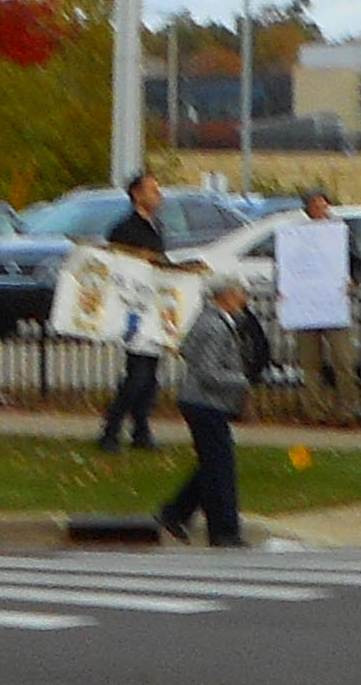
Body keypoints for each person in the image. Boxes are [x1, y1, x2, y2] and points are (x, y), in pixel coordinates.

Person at [156, 277, 252, 547]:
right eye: (241, 295)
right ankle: (223, 532)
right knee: (221, 470)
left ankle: (175, 512)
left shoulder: (210, 320)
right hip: (205, 403)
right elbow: (209, 373)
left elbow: (186, 349)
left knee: (214, 464)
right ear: (227, 297)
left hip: (202, 402)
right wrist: (243, 380)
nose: (244, 301)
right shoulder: (215, 326)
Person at [98, 172, 171, 453]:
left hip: (151, 306)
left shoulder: (157, 227)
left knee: (150, 375)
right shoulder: (125, 228)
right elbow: (117, 264)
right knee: (137, 374)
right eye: (153, 190)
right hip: (133, 309)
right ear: (137, 195)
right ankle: (112, 428)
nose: (159, 195)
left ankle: (141, 429)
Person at [286, 190, 361, 425]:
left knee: (343, 361)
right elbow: (287, 267)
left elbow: (357, 266)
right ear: (308, 209)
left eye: (324, 204)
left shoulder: (341, 234)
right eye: (316, 205)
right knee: (310, 363)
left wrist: (353, 282)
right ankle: (315, 411)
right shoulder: (297, 235)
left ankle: (347, 409)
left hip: (334, 305)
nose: (321, 208)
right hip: (307, 307)